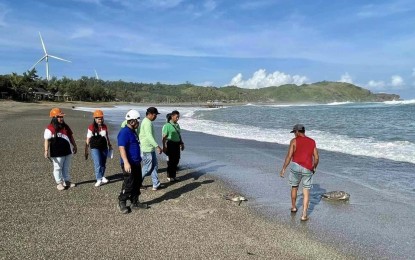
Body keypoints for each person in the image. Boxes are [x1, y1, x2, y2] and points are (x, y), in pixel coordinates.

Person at [279, 124, 319, 221]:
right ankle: (304, 215)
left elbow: (289, 156)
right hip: (308, 168)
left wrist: (283, 168)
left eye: (294, 132)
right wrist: (314, 167)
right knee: (306, 192)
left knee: (294, 187)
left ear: (297, 132)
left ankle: (293, 207)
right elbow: (316, 157)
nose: (294, 135)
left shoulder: (294, 141)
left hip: (296, 167)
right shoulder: (312, 141)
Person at [117, 109, 148, 214]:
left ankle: (135, 202)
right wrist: (126, 162)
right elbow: (122, 148)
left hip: (136, 162)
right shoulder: (124, 132)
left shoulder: (133, 131)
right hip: (128, 163)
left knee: (137, 182)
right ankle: (122, 201)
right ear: (132, 121)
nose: (138, 123)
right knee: (128, 183)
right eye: (137, 121)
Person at [44, 108, 77, 190]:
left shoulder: (65, 126)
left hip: (67, 150)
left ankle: (67, 181)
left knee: (66, 167)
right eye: (59, 117)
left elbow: (71, 137)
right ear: (54, 118)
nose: (61, 118)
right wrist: (46, 150)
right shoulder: (50, 128)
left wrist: (75, 146)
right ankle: (59, 183)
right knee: (57, 167)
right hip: (57, 152)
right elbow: (46, 140)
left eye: (62, 117)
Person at [85, 110, 112, 187]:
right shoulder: (91, 127)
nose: (100, 120)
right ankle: (98, 179)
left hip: (104, 147)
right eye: (98, 118)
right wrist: (86, 149)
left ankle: (102, 176)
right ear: (95, 119)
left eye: (101, 118)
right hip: (94, 147)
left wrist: (109, 145)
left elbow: (107, 136)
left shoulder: (104, 126)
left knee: (103, 163)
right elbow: (88, 138)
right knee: (98, 163)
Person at [139, 107, 163, 191]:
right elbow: (149, 136)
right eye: (155, 115)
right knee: (147, 168)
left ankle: (156, 184)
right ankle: (137, 183)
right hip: (147, 149)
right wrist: (157, 146)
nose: (156, 117)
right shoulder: (147, 122)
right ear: (149, 114)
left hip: (150, 148)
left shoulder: (146, 122)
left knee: (154, 166)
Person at [162, 110, 184, 182]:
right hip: (170, 144)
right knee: (171, 161)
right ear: (172, 116)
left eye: (178, 117)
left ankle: (174, 175)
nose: (178, 118)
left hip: (177, 144)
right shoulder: (167, 125)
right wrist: (164, 146)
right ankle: (169, 175)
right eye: (177, 117)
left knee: (177, 160)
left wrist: (182, 143)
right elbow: (164, 137)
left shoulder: (177, 125)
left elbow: (179, 135)